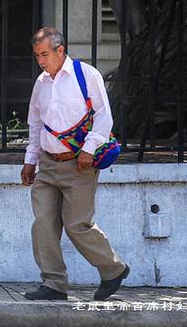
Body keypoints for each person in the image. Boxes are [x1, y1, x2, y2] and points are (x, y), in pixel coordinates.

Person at [21, 27, 129, 301]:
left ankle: (113, 269)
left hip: (79, 165)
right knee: (43, 224)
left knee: (77, 225)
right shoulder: (41, 82)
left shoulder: (86, 75)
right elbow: (35, 124)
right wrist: (30, 161)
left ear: (61, 50)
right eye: (37, 56)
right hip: (47, 165)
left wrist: (89, 149)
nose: (41, 60)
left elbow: (104, 116)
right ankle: (54, 285)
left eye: (45, 54)